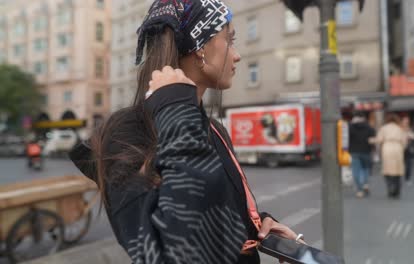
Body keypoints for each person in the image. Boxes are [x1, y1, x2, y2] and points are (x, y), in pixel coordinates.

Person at [69, 1, 303, 263]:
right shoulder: (126, 135)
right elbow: (174, 252)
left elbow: (213, 209)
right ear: (200, 47)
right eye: (230, 40)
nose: (236, 55)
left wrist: (260, 225)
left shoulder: (214, 129)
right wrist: (177, 109)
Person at [375, 114, 407, 199]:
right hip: (397, 147)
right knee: (398, 170)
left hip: (387, 147)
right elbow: (404, 141)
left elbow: (379, 140)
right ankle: (397, 190)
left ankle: (390, 187)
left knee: (387, 169)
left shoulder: (384, 128)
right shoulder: (399, 128)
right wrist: (402, 148)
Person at [349, 112, 375, 198]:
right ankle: (365, 184)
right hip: (366, 151)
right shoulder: (369, 127)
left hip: (354, 152)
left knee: (356, 171)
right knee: (365, 169)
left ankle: (359, 190)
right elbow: (372, 139)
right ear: (364, 118)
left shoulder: (350, 127)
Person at [401, 117, 414, 185]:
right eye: (404, 122)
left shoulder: (410, 129)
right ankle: (399, 178)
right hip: (401, 149)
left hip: (408, 150)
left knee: (408, 165)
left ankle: (407, 178)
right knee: (400, 165)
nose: (405, 123)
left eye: (407, 122)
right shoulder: (399, 129)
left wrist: (410, 136)